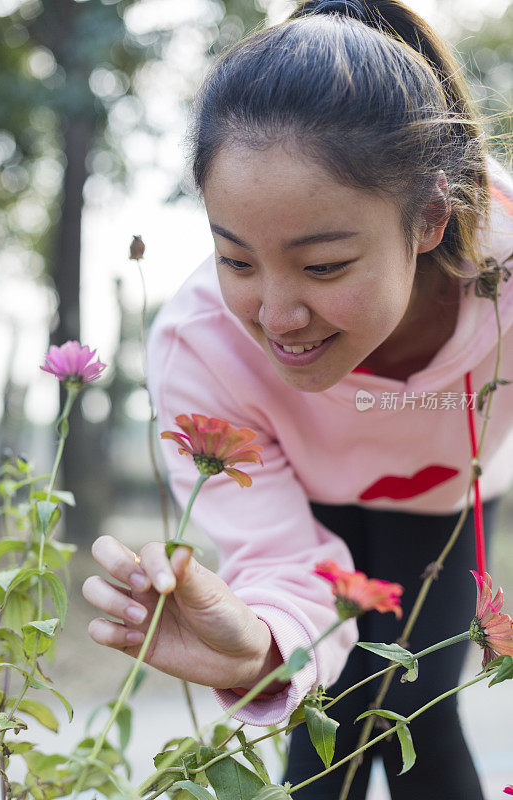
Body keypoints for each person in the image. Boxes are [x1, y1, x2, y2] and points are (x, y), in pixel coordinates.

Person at [83, 1, 513, 797]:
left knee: (417, 704)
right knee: (325, 716)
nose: (276, 320)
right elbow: (278, 564)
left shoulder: (504, 278)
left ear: (427, 219)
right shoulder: (197, 348)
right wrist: (257, 644)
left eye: (321, 268)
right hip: (304, 509)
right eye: (235, 260)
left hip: (444, 506)